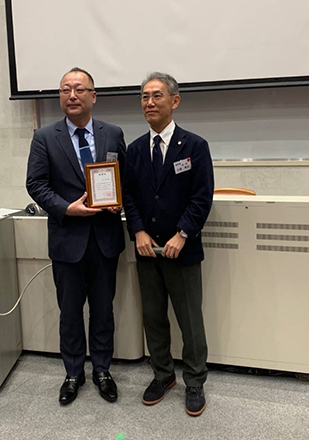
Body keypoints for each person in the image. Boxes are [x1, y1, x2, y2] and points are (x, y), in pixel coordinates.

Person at [26, 68, 126, 405]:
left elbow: (124, 177)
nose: (72, 95)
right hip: (67, 239)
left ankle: (102, 370)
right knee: (69, 312)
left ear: (93, 96)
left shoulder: (113, 133)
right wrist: (66, 208)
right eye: (65, 89)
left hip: (105, 238)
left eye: (79, 89)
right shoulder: (44, 137)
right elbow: (35, 184)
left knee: (103, 310)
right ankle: (72, 372)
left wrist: (119, 200)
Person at [122, 72, 214, 416]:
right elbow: (129, 197)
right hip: (147, 251)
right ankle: (163, 375)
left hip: (182, 250)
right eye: (144, 97)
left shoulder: (194, 146)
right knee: (153, 318)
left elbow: (202, 197)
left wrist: (183, 233)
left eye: (156, 96)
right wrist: (138, 231)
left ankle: (195, 380)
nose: (149, 103)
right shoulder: (134, 150)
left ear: (174, 101)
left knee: (190, 320)